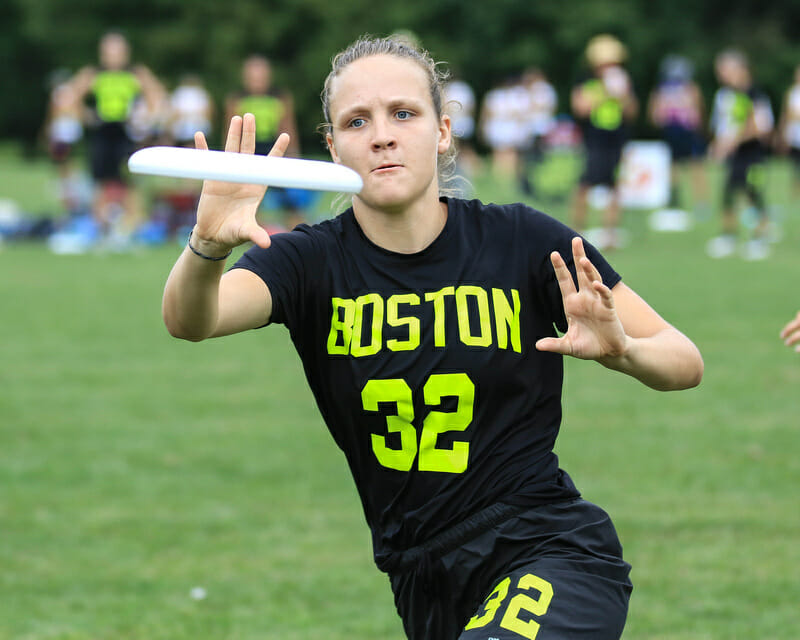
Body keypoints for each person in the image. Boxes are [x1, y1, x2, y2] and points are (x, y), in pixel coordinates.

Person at [162, 36, 703, 640]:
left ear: (443, 131)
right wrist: (207, 246)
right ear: (332, 144)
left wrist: (624, 348)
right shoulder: (308, 262)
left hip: (547, 547)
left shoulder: (522, 240)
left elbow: (684, 360)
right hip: (421, 573)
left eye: (404, 114)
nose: (382, 135)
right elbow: (192, 319)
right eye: (357, 121)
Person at [70, 31, 165, 242]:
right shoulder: (94, 73)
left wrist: (146, 121)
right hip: (102, 134)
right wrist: (86, 116)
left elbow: (157, 95)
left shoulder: (135, 73)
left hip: (126, 134)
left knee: (129, 183)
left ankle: (133, 230)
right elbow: (70, 96)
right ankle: (100, 231)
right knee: (101, 183)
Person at [570, 34, 638, 249]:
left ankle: (610, 235)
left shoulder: (624, 82)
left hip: (616, 139)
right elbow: (580, 108)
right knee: (585, 185)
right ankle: (576, 232)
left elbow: (632, 112)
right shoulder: (586, 82)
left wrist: (622, 95)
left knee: (614, 186)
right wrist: (605, 93)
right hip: (594, 140)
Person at [225, 54, 307, 229]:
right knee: (250, 197)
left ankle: (296, 230)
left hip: (273, 150)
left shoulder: (280, 98)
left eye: (260, 76)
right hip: (248, 152)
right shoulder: (237, 99)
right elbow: (230, 129)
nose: (257, 81)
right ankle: (251, 230)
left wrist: (293, 153)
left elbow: (287, 127)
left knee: (289, 198)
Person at [707, 49, 774, 260]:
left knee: (754, 194)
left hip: (753, 155)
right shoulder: (725, 96)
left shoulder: (755, 95)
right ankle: (729, 236)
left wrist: (735, 140)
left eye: (726, 70)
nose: (722, 76)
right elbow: (723, 126)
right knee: (728, 193)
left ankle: (759, 238)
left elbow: (763, 127)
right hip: (734, 156)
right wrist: (718, 145)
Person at [647, 54, 709, 214]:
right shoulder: (682, 88)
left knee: (688, 167)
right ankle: (686, 202)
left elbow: (654, 115)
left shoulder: (671, 89)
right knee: (683, 167)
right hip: (679, 131)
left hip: (680, 131)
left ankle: (693, 202)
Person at [517, 67, 558, 198]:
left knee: (535, 159)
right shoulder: (530, 91)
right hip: (532, 129)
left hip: (540, 129)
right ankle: (528, 185)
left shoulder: (543, 90)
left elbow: (541, 107)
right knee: (529, 159)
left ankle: (536, 184)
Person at [775, 63, 800, 199]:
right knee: (796, 167)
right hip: (796, 136)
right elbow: (786, 115)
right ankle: (795, 195)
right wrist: (782, 133)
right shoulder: (792, 93)